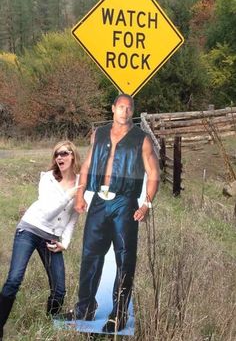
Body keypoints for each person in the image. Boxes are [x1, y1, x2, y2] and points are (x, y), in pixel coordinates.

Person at [63, 94, 160, 333]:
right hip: (98, 201)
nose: (125, 111)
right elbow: (87, 165)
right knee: (90, 256)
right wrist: (79, 194)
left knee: (125, 260)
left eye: (129, 108)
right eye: (121, 107)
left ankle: (118, 315)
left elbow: (154, 174)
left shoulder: (142, 139)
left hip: (124, 202)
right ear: (113, 109)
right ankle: (85, 307)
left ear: (132, 111)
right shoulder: (100, 134)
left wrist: (146, 204)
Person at [0, 140, 81, 341]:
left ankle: (52, 321)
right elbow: (47, 212)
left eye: (63, 153)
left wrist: (66, 242)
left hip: (52, 238)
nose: (59, 157)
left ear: (73, 155)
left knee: (60, 290)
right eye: (56, 155)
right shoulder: (47, 179)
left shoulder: (81, 182)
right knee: (14, 280)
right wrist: (71, 193)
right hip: (29, 229)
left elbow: (73, 217)